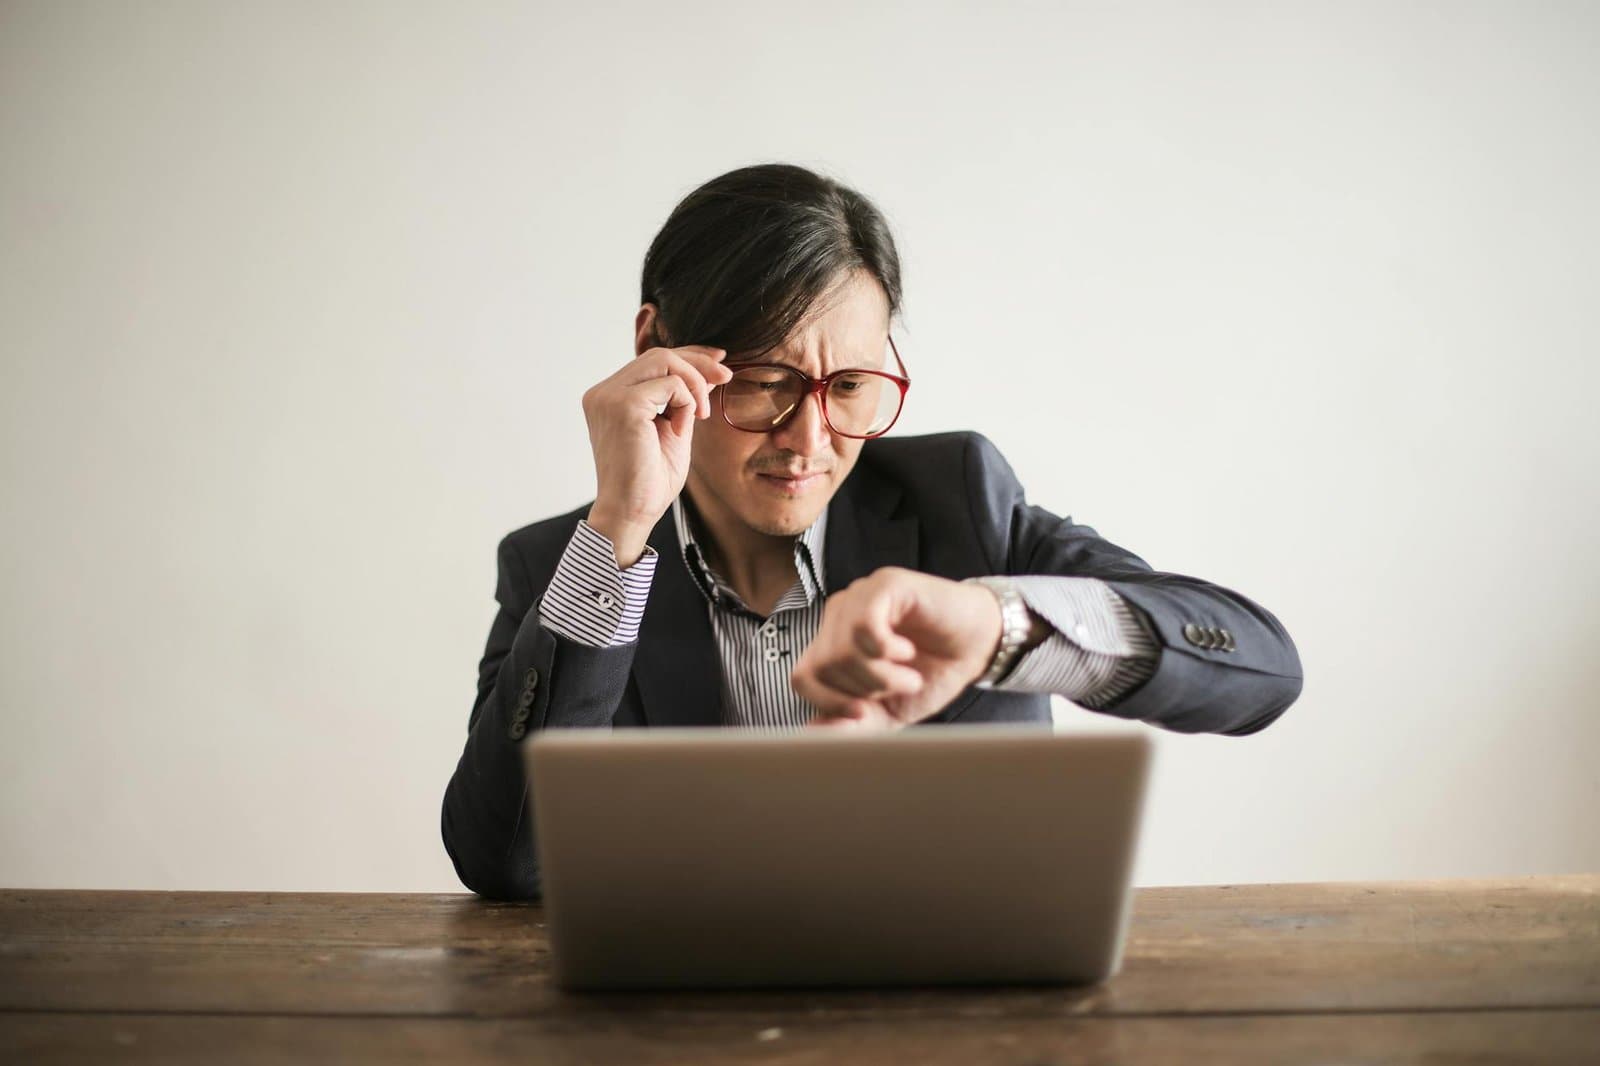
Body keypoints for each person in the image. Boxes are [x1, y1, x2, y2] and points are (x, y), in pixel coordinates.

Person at [441, 163, 1303, 900]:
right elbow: (505, 861)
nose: (809, 442)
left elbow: (1259, 668)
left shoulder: (960, 500)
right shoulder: (563, 566)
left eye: (850, 385)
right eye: (765, 381)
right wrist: (621, 531)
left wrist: (999, 631)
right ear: (656, 351)